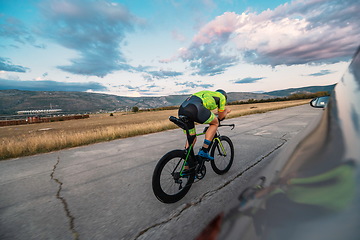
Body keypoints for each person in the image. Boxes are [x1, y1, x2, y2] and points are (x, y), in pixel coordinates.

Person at [178, 89, 231, 160]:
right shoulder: (221, 96)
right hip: (195, 108)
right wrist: (226, 111)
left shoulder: (208, 94)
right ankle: (204, 150)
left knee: (192, 138)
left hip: (182, 109)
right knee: (215, 123)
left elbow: (205, 111)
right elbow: (221, 117)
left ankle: (187, 166)